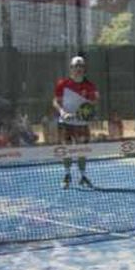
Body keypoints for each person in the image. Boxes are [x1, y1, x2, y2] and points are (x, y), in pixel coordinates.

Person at [52, 55, 98, 188]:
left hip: (82, 125)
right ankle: (67, 175)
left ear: (84, 69)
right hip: (65, 123)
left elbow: (94, 101)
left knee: (82, 150)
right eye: (76, 66)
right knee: (66, 150)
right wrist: (62, 112)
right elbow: (55, 101)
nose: (78, 68)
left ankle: (83, 176)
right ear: (71, 68)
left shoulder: (90, 85)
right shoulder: (62, 84)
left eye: (81, 66)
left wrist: (87, 111)